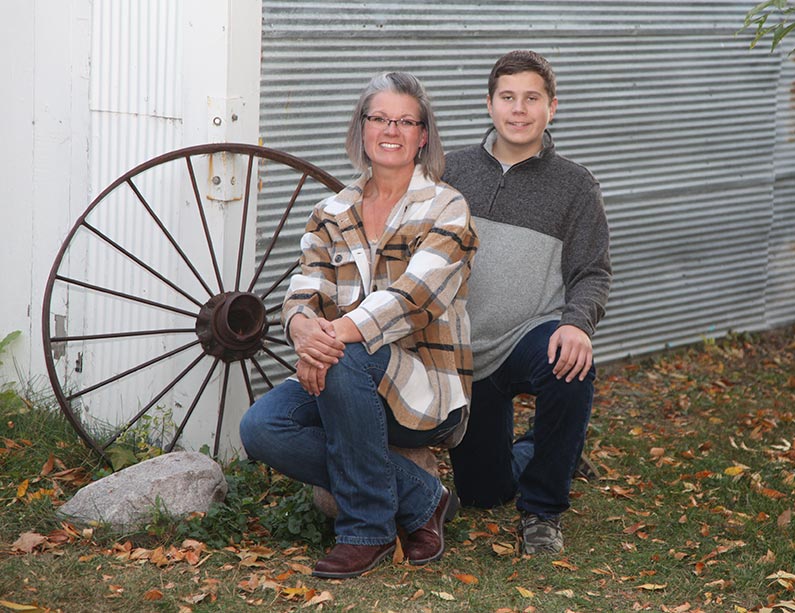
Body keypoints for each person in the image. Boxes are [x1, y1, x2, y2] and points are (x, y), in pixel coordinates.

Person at [240, 72, 478, 579]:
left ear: (423, 136)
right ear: (362, 128)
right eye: (379, 118)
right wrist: (304, 329)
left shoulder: (448, 207)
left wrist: (328, 338)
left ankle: (365, 529)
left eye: (405, 121)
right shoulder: (331, 211)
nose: (391, 129)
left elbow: (414, 299)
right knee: (262, 427)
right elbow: (305, 289)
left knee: (348, 353)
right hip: (342, 371)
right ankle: (421, 498)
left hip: (427, 392)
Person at [443, 50, 611, 555]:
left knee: (570, 366)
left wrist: (577, 325)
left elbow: (592, 272)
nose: (519, 110)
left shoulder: (575, 185)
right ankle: (544, 446)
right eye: (508, 97)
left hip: (530, 334)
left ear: (551, 107)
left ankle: (542, 512)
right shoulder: (450, 172)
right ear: (489, 104)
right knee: (482, 493)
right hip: (464, 350)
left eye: (531, 98)